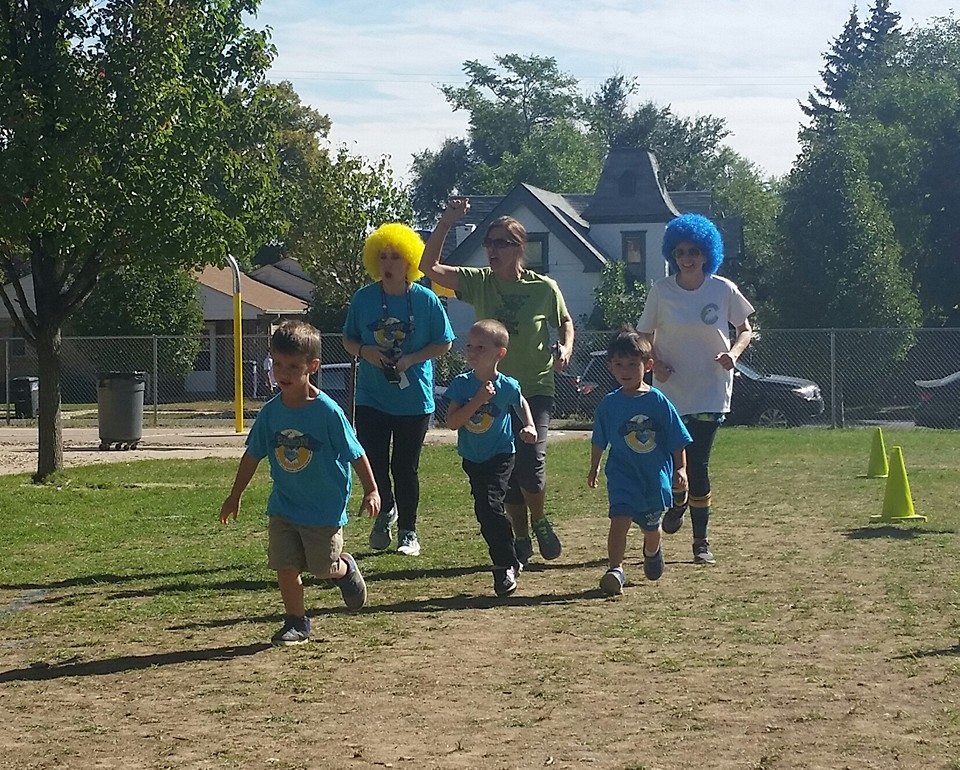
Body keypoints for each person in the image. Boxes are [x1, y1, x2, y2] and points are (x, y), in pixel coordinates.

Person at [420, 198, 574, 566]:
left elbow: (565, 321)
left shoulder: (544, 288)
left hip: (535, 387)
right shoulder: (478, 282)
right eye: (488, 243)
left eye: (500, 243)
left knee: (531, 464)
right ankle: (520, 536)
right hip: (493, 389)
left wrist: (565, 348)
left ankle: (538, 521)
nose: (491, 249)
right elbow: (428, 267)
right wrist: (447, 220)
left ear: (519, 248)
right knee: (504, 468)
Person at [219, 320, 380, 646]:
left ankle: (345, 568)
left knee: (322, 568)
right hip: (285, 506)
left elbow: (355, 453)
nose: (283, 373)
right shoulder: (271, 413)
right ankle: (296, 622)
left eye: (293, 366)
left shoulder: (327, 412)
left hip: (323, 508)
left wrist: (372, 489)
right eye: (277, 364)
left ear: (312, 367)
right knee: (285, 564)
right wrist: (235, 495)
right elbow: (252, 455)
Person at [636, 213, 754, 565]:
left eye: (694, 251)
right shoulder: (661, 290)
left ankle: (700, 542)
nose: (687, 258)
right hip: (670, 390)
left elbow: (745, 329)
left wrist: (733, 354)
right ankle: (678, 501)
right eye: (681, 251)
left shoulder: (723, 288)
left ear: (707, 254)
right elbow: (644, 334)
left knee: (698, 463)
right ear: (673, 254)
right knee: (672, 461)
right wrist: (656, 361)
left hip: (710, 388)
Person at [343, 223, 455, 557]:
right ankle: (386, 509)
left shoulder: (426, 299)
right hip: (371, 396)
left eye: (396, 256)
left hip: (414, 399)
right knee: (373, 461)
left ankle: (409, 531)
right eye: (383, 256)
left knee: (405, 467)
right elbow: (349, 339)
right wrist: (366, 352)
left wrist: (412, 359)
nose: (389, 263)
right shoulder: (363, 299)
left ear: (409, 261)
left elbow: (445, 342)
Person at [588, 329, 691, 595]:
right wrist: (594, 465)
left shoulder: (658, 401)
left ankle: (652, 550)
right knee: (619, 518)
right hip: (622, 474)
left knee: (651, 527)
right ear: (611, 367)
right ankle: (615, 569)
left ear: (648, 366)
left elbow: (677, 437)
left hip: (653, 476)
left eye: (633, 364)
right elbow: (599, 438)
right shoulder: (610, 404)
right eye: (619, 365)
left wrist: (680, 468)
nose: (626, 370)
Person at [444, 319, 539, 597]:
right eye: (470, 346)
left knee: (489, 506)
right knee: (487, 510)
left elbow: (520, 401)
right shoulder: (461, 385)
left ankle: (504, 567)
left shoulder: (507, 385)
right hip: (472, 458)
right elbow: (452, 422)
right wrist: (477, 400)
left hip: (500, 455)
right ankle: (511, 551)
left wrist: (529, 424)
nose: (472, 352)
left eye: (481, 347)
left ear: (500, 353)